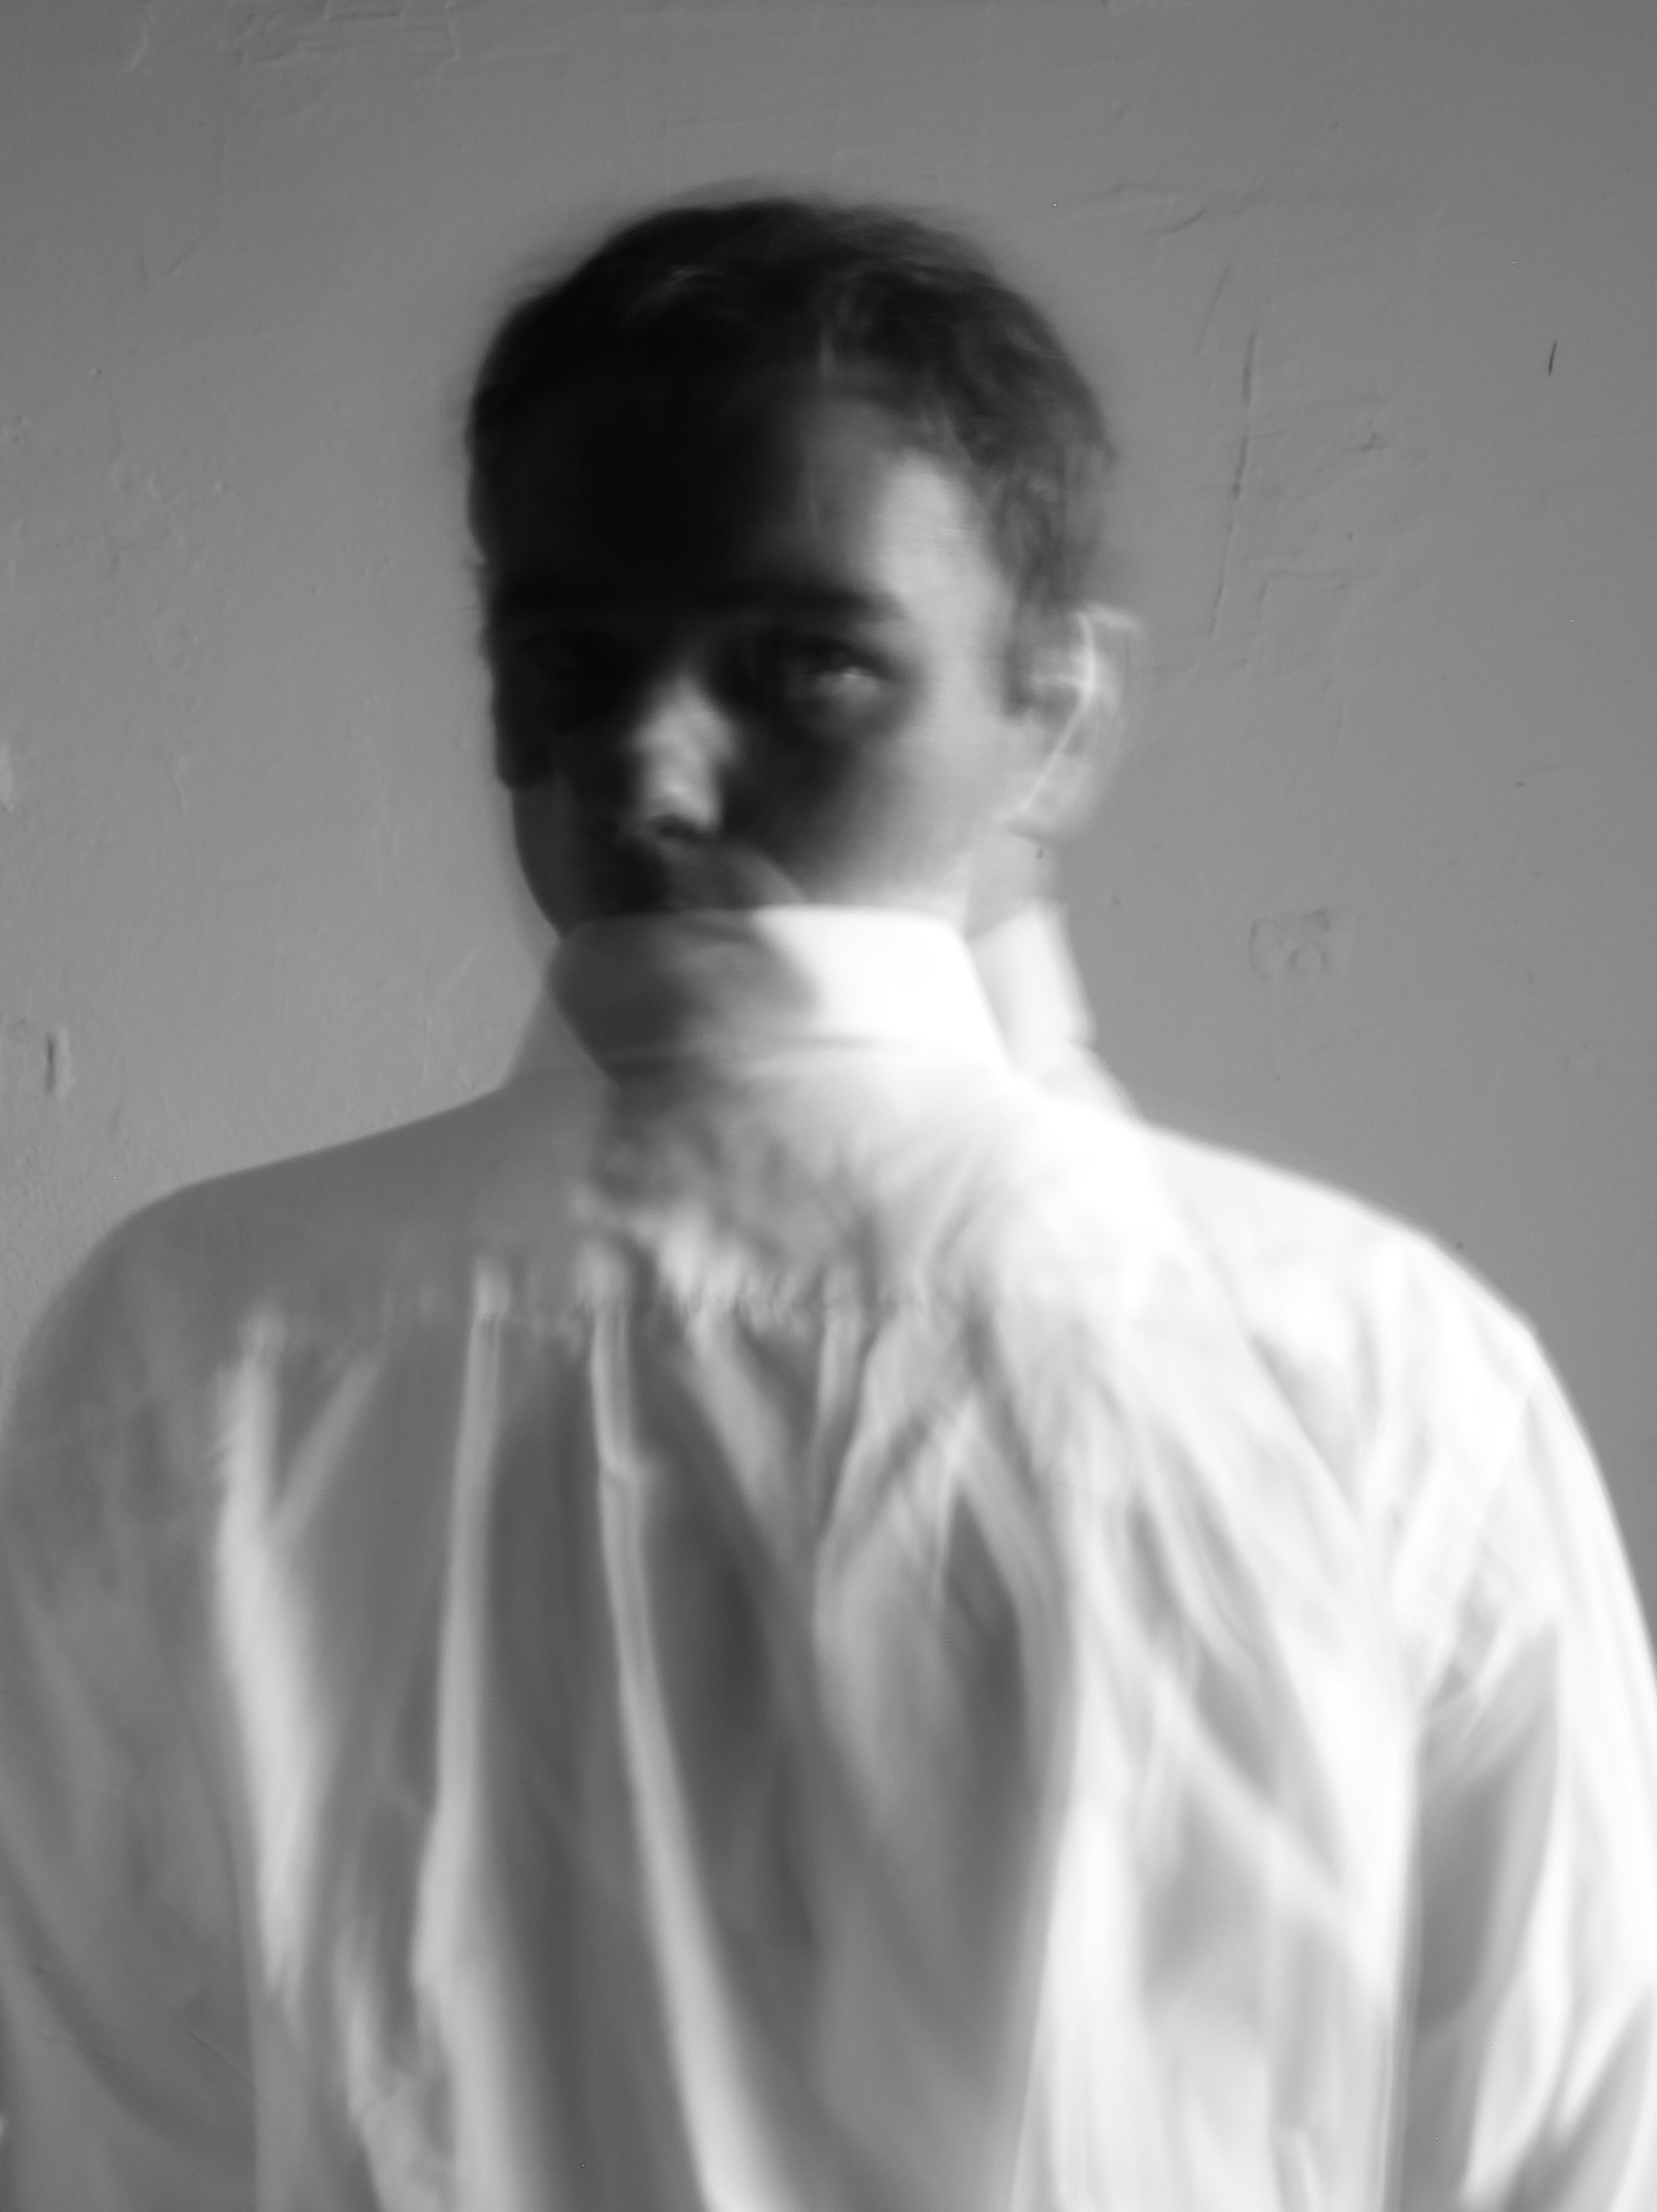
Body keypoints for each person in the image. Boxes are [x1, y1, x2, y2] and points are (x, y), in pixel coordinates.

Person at [0, 196, 1651, 2212]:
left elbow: (104, 2137)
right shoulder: (1366, 1362)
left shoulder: (196, 1347)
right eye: (569, 661)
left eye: (807, 668)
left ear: (1057, 707)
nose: (648, 773)